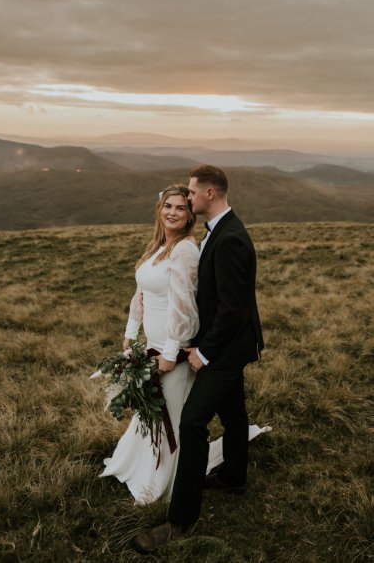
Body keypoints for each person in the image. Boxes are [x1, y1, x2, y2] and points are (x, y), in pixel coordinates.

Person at [132, 164, 264, 553]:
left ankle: (180, 521)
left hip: (225, 348)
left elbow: (233, 309)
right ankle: (234, 477)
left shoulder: (232, 238)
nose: (187, 199)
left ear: (208, 194)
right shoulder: (217, 231)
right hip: (221, 343)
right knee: (235, 413)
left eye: (191, 193)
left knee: (191, 423)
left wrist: (203, 353)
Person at [100, 184, 200, 503]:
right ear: (159, 209)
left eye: (180, 208)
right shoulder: (158, 246)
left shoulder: (185, 249)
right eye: (168, 206)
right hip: (151, 344)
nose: (172, 212)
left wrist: (170, 353)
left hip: (171, 349)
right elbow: (140, 292)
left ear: (189, 216)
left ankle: (164, 481)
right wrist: (132, 330)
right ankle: (140, 464)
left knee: (170, 416)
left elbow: (184, 305)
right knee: (153, 412)